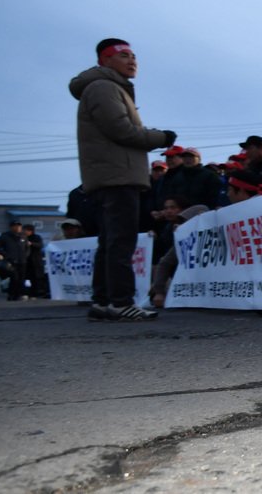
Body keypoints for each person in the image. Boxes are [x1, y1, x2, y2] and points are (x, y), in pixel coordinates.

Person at [69, 38, 177, 321]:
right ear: (104, 60)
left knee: (110, 242)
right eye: (124, 55)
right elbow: (121, 130)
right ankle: (120, 301)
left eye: (134, 56)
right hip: (117, 176)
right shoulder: (105, 87)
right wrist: (160, 138)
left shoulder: (103, 87)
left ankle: (105, 301)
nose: (132, 61)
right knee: (121, 241)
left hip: (109, 175)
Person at [0, 220, 29, 301]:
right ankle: (12, 295)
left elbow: (27, 248)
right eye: (15, 226)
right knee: (14, 279)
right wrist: (6, 255)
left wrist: (25, 255)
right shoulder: (5, 236)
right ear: (11, 227)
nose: (17, 227)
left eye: (19, 226)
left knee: (21, 279)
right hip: (11, 262)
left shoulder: (23, 235)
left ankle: (19, 295)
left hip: (22, 261)